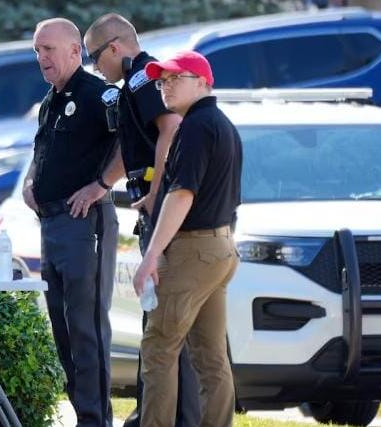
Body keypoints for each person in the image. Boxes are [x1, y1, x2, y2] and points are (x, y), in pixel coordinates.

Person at [82, 14, 200, 427]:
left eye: (95, 57)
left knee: (164, 322)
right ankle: (158, 413)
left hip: (159, 203)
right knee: (160, 319)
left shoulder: (142, 78)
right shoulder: (132, 84)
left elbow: (171, 128)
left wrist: (156, 190)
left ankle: (170, 416)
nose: (95, 67)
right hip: (151, 200)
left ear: (115, 47)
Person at [132, 51, 242, 427]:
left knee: (158, 348)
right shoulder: (221, 124)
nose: (166, 85)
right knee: (211, 358)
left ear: (202, 82)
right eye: (162, 81)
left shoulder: (195, 127)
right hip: (220, 249)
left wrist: (151, 257)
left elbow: (182, 195)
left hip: (194, 251)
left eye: (176, 77)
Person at [26, 17, 119, 427]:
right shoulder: (50, 99)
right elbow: (44, 150)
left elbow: (128, 143)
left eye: (48, 48)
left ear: (74, 51)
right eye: (37, 50)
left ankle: (96, 420)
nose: (41, 57)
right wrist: (31, 180)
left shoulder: (98, 94)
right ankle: (84, 416)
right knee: (62, 329)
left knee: (86, 329)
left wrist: (100, 185)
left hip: (85, 224)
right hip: (51, 225)